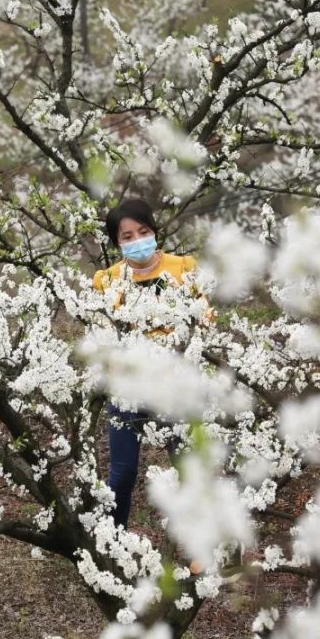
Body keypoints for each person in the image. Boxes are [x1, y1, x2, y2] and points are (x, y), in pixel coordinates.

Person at [91, 197, 205, 535]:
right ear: (117, 243)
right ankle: (113, 542)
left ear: (154, 231)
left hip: (175, 383)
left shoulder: (183, 268)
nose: (138, 240)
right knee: (122, 472)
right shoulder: (108, 280)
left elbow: (204, 317)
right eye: (127, 236)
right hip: (127, 387)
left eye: (143, 231)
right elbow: (103, 334)